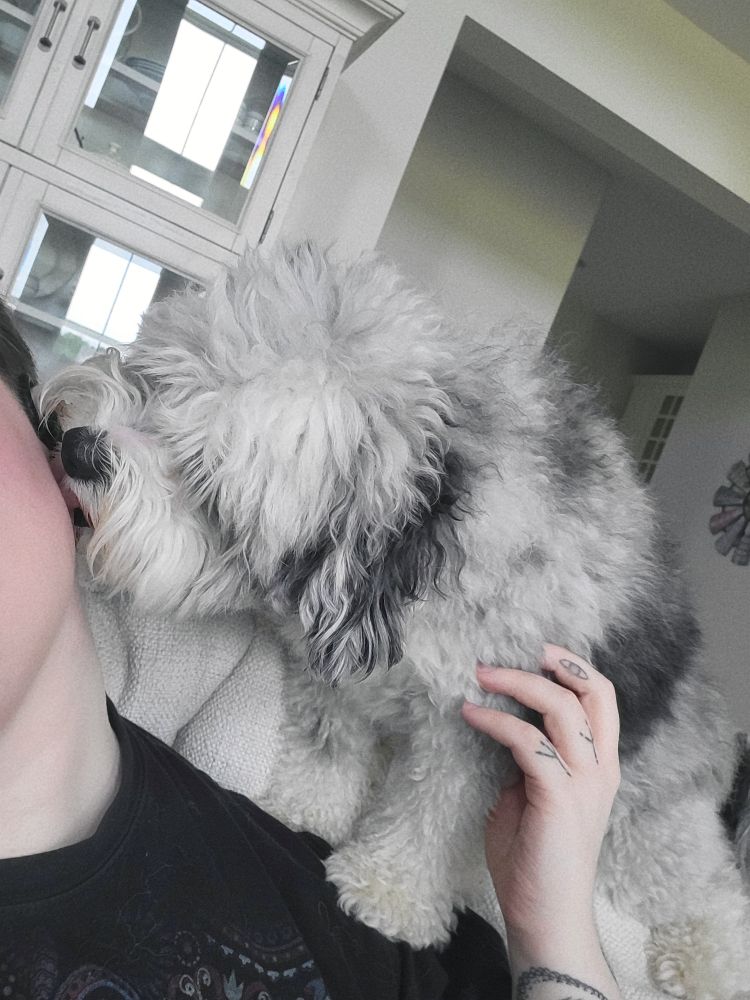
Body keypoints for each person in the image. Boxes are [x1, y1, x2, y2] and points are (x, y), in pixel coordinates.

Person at [0, 301, 623, 1000]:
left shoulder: (334, 894)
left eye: (201, 478)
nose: (110, 442)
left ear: (32, 427)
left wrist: (552, 937)